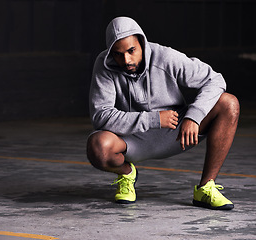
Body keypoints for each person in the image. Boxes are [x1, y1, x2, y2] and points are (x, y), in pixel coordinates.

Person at [86, 16, 240, 210]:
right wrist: (154, 119)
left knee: (229, 103)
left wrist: (194, 116)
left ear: (141, 42)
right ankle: (126, 173)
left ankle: (205, 188)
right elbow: (101, 116)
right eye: (118, 54)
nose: (126, 60)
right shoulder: (104, 65)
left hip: (176, 130)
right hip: (131, 139)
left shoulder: (164, 57)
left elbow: (215, 80)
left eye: (131, 50)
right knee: (98, 146)